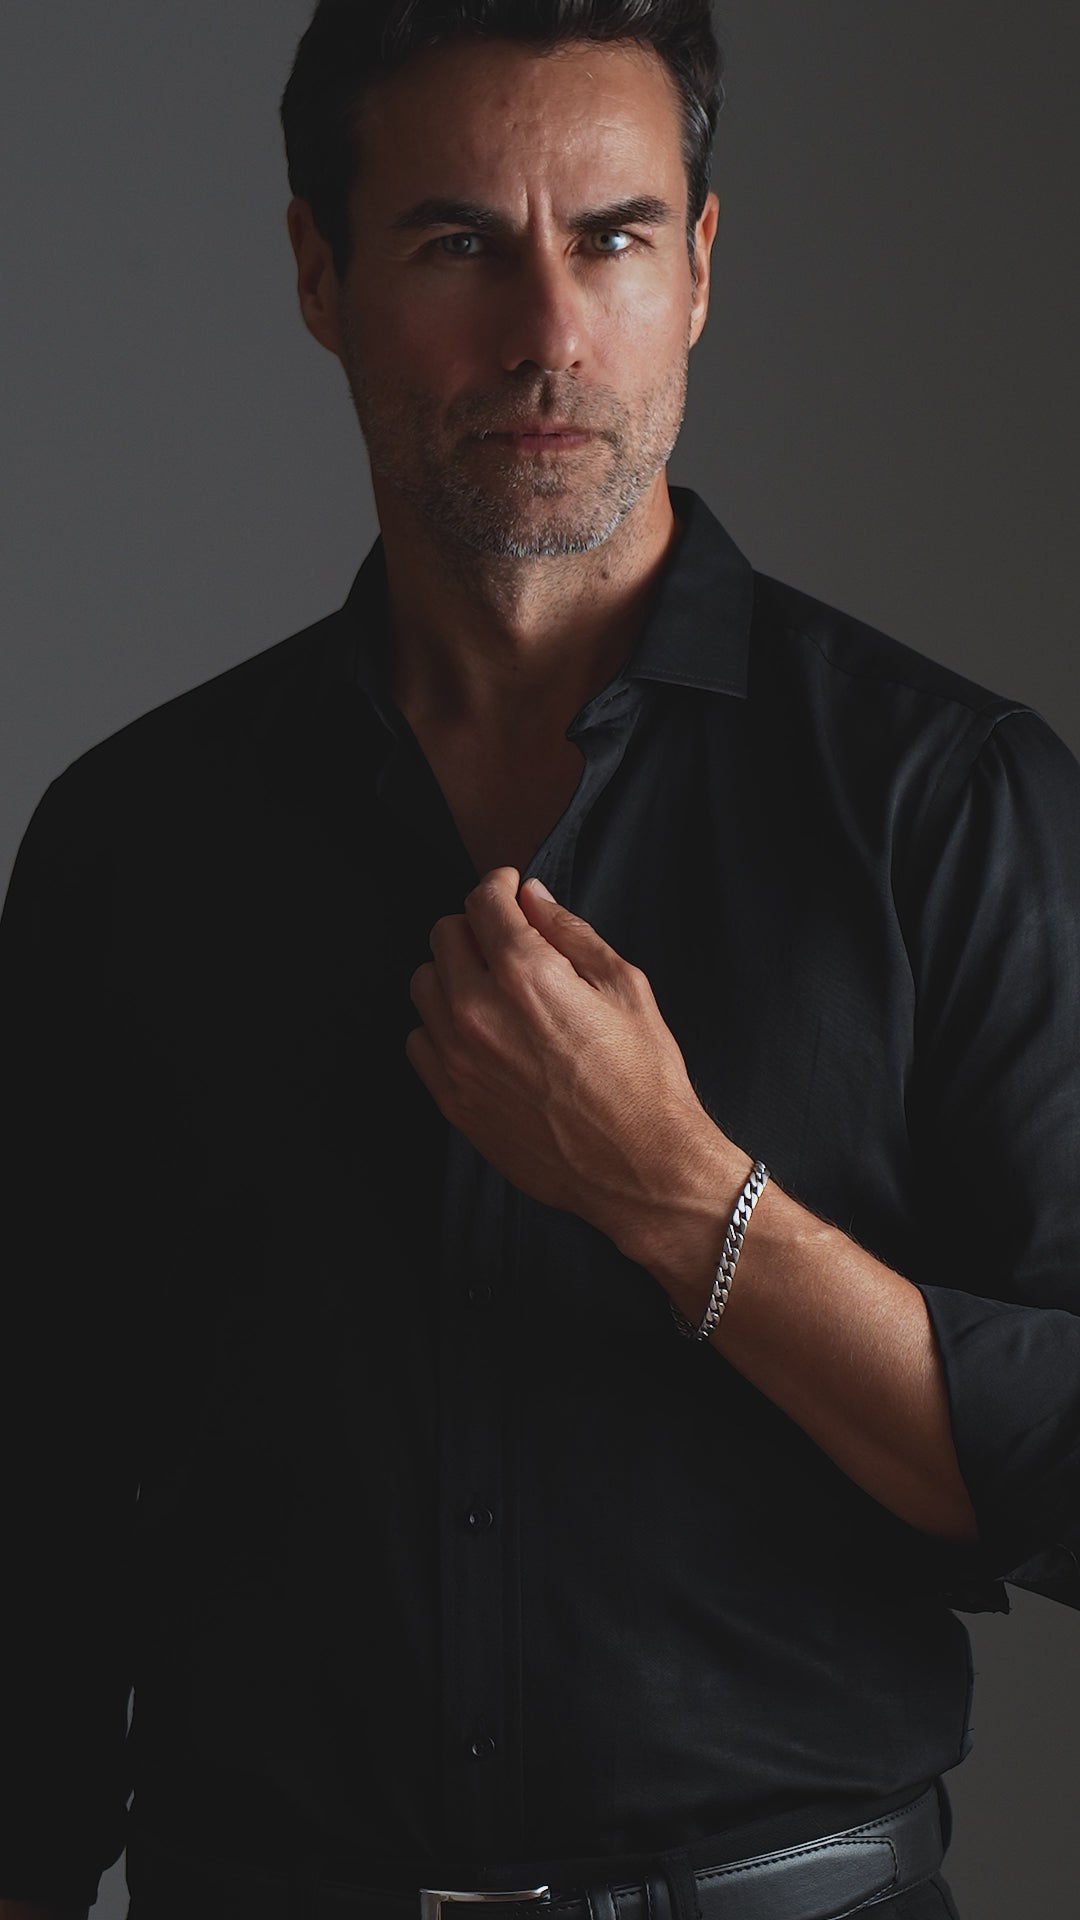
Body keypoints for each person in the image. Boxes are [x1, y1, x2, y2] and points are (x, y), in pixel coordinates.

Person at [2, 2, 1078, 1917]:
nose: (550, 330)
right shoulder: (131, 844)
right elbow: (41, 1500)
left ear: (701, 269)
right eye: (457, 243)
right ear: (319, 273)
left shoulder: (951, 801)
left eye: (614, 236)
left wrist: (681, 1198)